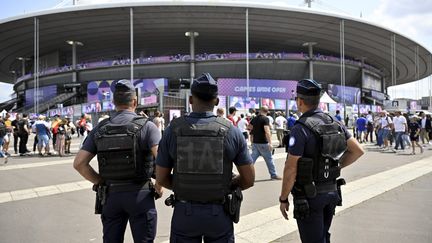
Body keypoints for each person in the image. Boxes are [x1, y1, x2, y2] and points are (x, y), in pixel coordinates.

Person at [156, 73, 255, 242]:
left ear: (191, 100)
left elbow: (161, 177)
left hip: (184, 213)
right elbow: (249, 179)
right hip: (219, 214)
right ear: (216, 101)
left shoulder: (173, 130)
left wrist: (185, 187)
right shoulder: (231, 131)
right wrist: (228, 185)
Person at [74, 80, 163, 242]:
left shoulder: (101, 127)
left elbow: (79, 163)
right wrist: (159, 186)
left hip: (111, 196)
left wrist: (100, 181)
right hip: (140, 196)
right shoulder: (148, 127)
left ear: (114, 102)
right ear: (135, 102)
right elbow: (162, 160)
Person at [279, 79, 364, 243]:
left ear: (300, 101)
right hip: (331, 192)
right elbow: (357, 150)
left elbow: (291, 168)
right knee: (323, 237)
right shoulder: (335, 122)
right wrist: (336, 167)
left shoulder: (300, 128)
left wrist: (283, 198)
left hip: (309, 197)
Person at [249, 106, 282, 180]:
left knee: (251, 160)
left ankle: (245, 174)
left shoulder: (254, 118)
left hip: (255, 142)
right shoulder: (265, 119)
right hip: (263, 142)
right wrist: (270, 143)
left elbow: (249, 127)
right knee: (269, 160)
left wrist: (254, 132)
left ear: (260, 110)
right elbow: (267, 131)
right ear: (267, 112)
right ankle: (273, 175)